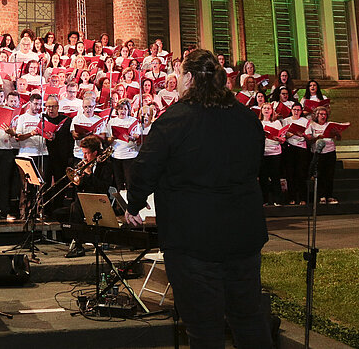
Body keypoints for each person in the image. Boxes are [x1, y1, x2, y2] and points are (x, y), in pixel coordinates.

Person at [125, 49, 272, 347]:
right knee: (248, 317)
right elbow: (256, 164)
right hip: (243, 234)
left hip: (192, 238)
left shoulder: (174, 120)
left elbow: (146, 166)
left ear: (189, 78)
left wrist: (134, 204)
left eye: (180, 74)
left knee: (203, 326)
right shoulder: (246, 117)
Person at [58, 135, 114, 258]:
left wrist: (89, 175)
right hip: (87, 199)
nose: (84, 157)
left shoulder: (106, 165)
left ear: (95, 152)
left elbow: (102, 188)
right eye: (83, 153)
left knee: (76, 207)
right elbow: (81, 189)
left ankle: (78, 243)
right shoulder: (86, 164)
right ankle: (77, 242)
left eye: (87, 153)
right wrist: (79, 181)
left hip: (100, 200)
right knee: (68, 208)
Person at [304, 106, 340, 204]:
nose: (323, 116)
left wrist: (337, 133)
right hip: (318, 153)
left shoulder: (329, 125)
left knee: (330, 175)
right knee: (320, 175)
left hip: (330, 151)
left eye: (325, 114)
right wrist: (317, 138)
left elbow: (338, 138)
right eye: (321, 114)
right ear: (316, 115)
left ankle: (329, 196)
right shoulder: (312, 125)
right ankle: (321, 196)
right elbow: (308, 139)